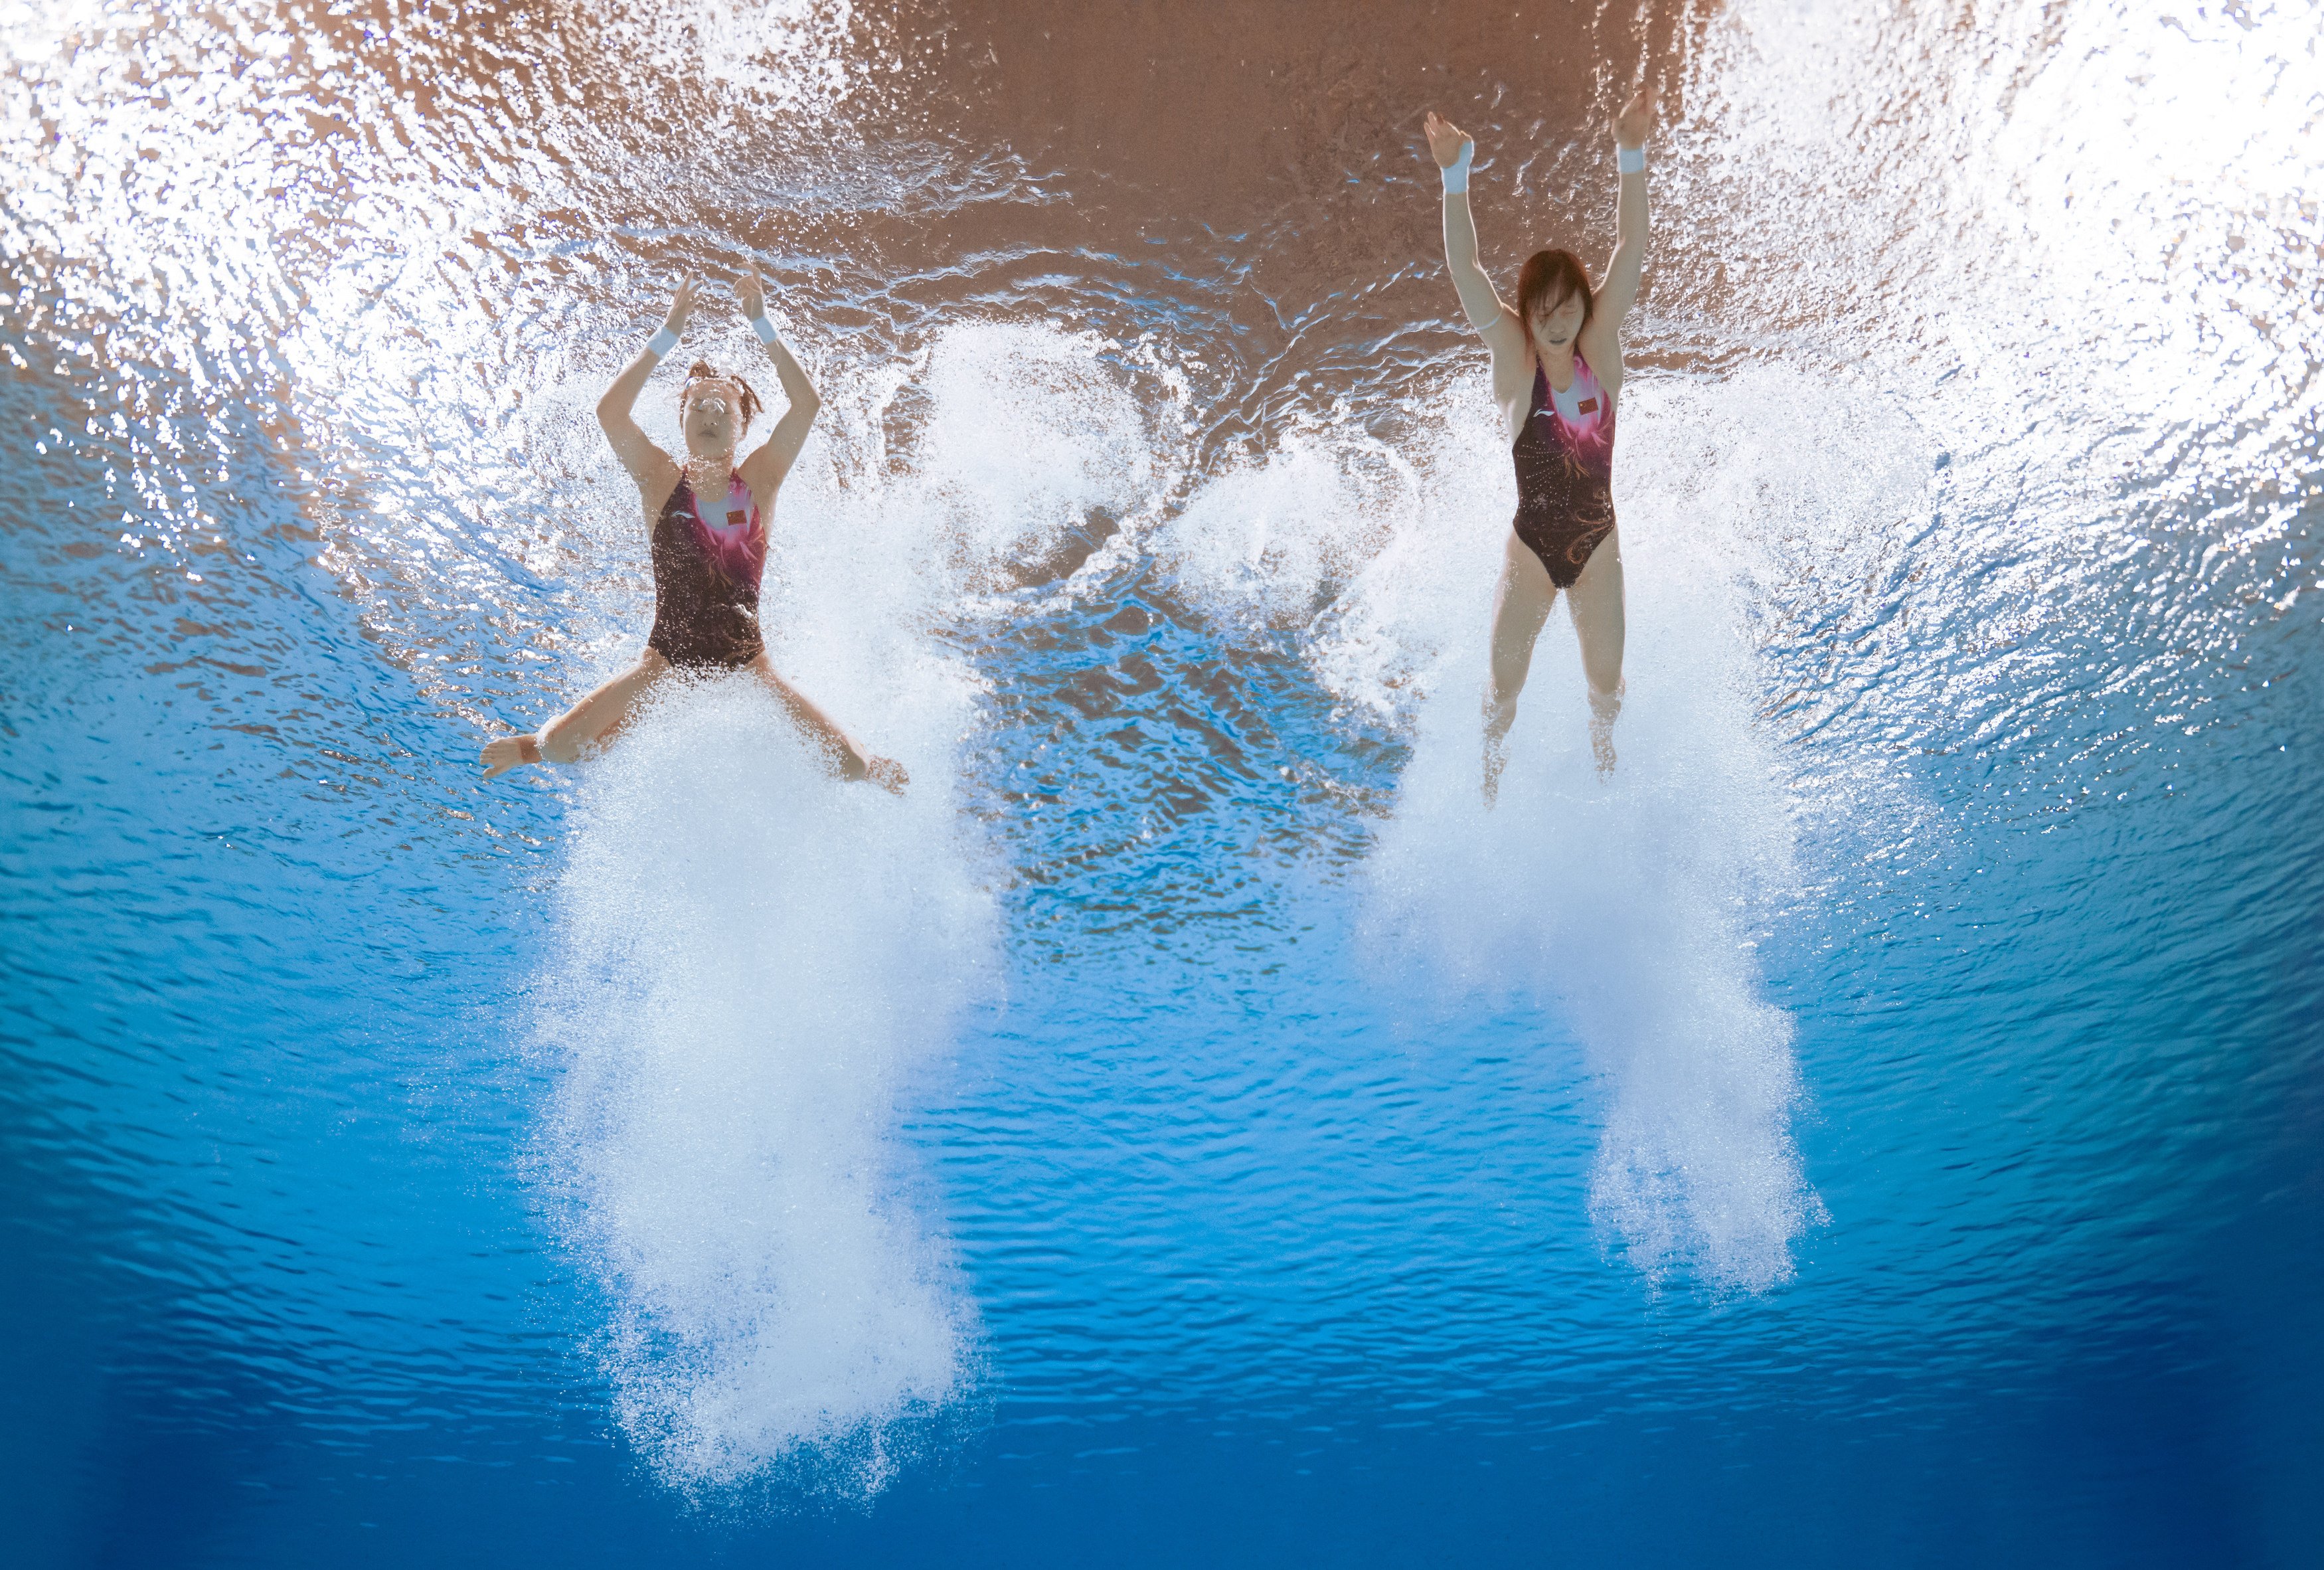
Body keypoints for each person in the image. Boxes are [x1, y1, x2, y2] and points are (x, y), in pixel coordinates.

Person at [481, 264, 905, 791]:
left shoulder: (760, 481)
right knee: (560, 750)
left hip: (748, 664)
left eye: (723, 408)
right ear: (682, 419)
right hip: (664, 661)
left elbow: (807, 405)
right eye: (698, 406)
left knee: (852, 767)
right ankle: (539, 744)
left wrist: (763, 323)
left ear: (743, 426)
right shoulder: (661, 480)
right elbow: (611, 413)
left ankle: (873, 763)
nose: (709, 413)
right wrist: (667, 335)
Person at [1424, 80, 1654, 797]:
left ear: (1585, 305)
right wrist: (1454, 174)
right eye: (1543, 311)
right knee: (1502, 692)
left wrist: (1630, 152)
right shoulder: (1514, 360)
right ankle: (1488, 788)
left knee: (1605, 690)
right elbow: (1465, 272)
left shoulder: (1601, 351)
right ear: (1526, 313)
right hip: (1530, 551)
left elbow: (1630, 247)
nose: (1557, 323)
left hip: (1597, 549)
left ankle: (1607, 776)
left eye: (1568, 307)